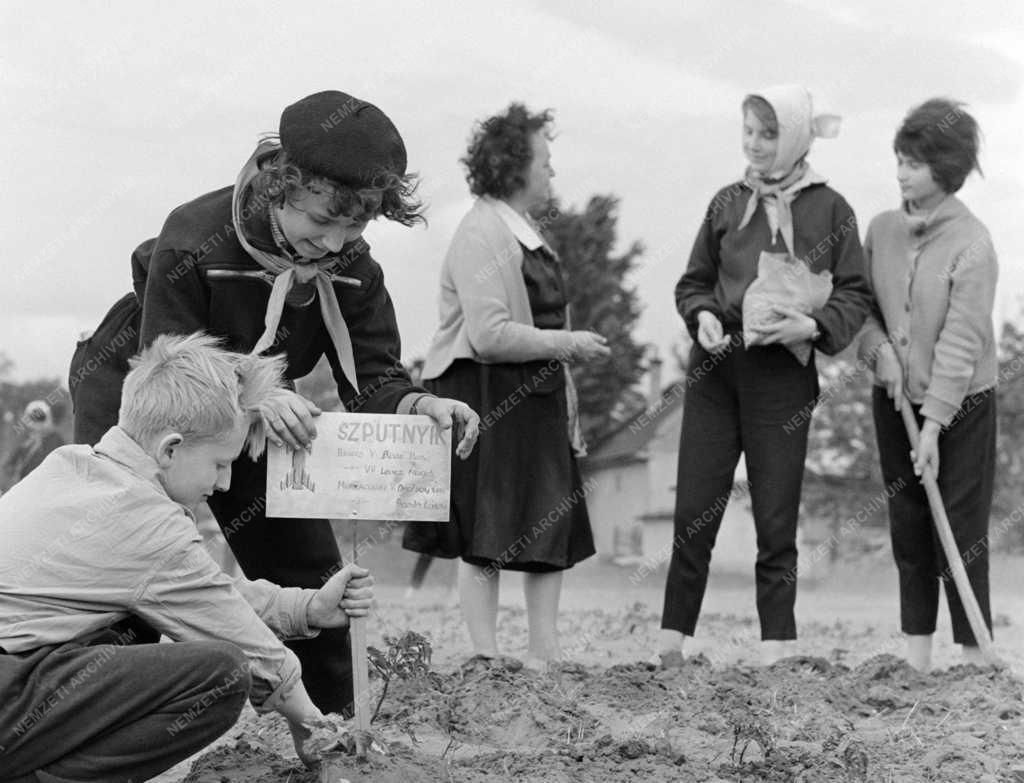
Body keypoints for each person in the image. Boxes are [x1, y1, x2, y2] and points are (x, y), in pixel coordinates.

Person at [67, 90, 479, 713]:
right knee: (133, 556)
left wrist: (419, 407)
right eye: (320, 222)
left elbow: (374, 380)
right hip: (139, 391)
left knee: (311, 577)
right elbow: (169, 369)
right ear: (279, 187)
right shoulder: (193, 238)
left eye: (355, 226)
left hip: (264, 413)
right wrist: (256, 391)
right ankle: (101, 714)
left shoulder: (355, 271)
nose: (334, 242)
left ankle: (332, 729)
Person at [0, 334, 375, 782]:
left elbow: (202, 591)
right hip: (9, 689)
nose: (224, 482)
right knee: (220, 674)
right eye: (221, 463)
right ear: (170, 449)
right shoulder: (144, 518)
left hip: (15, 680)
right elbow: (245, 641)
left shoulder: (76, 464)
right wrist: (312, 725)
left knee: (135, 625)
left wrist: (306, 607)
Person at [660, 85, 872, 666]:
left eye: (768, 133)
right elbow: (693, 282)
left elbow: (856, 294)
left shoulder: (831, 209)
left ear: (796, 137)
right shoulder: (726, 202)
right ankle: (671, 645)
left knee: (776, 517)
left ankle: (777, 650)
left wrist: (812, 326)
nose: (754, 145)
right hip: (715, 372)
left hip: (782, 378)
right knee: (694, 512)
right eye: (748, 131)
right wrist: (701, 314)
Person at [402, 103, 609, 665]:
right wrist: (568, 345)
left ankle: (546, 650)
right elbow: (490, 335)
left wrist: (564, 384)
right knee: (487, 530)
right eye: (544, 160)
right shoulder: (480, 232)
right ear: (514, 166)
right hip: (485, 394)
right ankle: (486, 655)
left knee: (548, 521)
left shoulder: (526, 233)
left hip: (535, 397)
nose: (551, 172)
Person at [859, 99, 996, 672]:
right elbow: (860, 308)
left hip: (962, 402)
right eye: (898, 159)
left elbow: (960, 345)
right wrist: (878, 353)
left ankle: (971, 657)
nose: (901, 173)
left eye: (913, 162)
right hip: (895, 397)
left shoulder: (973, 244)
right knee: (908, 524)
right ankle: (915, 657)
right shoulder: (882, 230)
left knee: (959, 528)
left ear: (945, 168)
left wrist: (936, 424)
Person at [2, 401, 64, 486]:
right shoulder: (26, 440)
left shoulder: (56, 440)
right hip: (24, 487)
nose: (36, 423)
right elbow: (9, 466)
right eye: (33, 417)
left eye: (40, 417)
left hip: (44, 487)